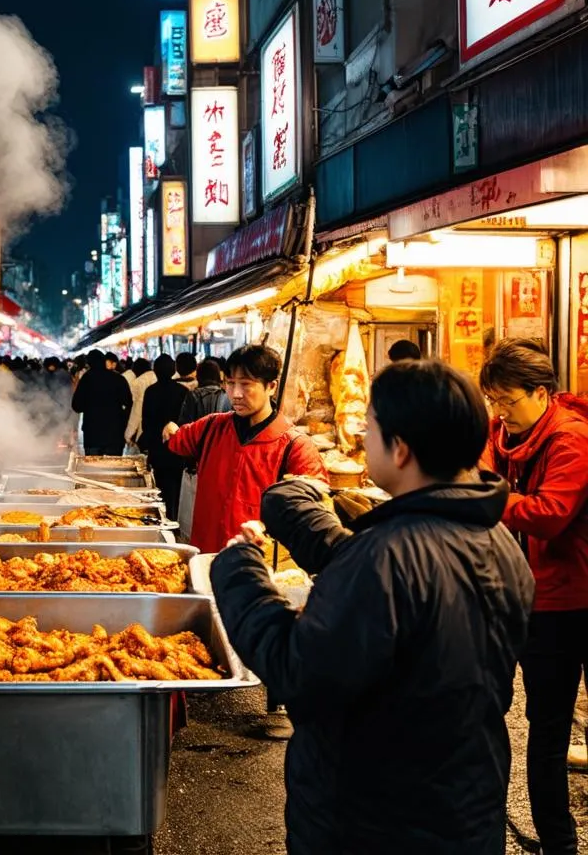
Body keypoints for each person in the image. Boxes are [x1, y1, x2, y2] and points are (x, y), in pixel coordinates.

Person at [211, 359, 536, 854]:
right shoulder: (499, 541)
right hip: (467, 807)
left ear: (400, 449)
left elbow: (301, 672)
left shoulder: (385, 556)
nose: (363, 437)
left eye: (371, 427)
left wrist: (239, 570)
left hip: (374, 820)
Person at [481, 338, 588, 855]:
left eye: (508, 401)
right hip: (524, 597)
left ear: (541, 393)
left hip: (571, 602)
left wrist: (485, 495)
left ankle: (561, 843)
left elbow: (549, 514)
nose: (500, 414)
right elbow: (477, 469)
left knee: (548, 726)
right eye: (493, 402)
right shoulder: (505, 433)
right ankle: (555, 840)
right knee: (531, 723)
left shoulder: (570, 440)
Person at [162, 344, 325, 554]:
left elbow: (318, 507)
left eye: (246, 384)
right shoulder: (211, 427)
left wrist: (267, 526)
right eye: (230, 383)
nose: (236, 394)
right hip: (205, 561)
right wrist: (169, 429)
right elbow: (177, 440)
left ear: (272, 386)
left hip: (256, 568)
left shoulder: (295, 446)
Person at [140, 355, 188, 520]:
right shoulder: (183, 391)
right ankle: (173, 518)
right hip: (177, 448)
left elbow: (145, 421)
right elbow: (185, 420)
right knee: (175, 486)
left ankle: (160, 518)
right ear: (174, 370)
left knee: (159, 485)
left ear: (155, 371)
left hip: (156, 448)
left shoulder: (151, 391)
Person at [71, 349, 132, 456]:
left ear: (89, 363)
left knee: (94, 469)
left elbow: (76, 406)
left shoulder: (86, 379)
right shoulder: (118, 378)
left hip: (92, 435)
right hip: (115, 435)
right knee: (113, 469)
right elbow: (129, 403)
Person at [179, 358, 231, 425]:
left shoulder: (193, 395)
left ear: (198, 376)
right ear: (217, 376)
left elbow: (185, 424)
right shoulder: (226, 396)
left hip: (198, 434)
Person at [124, 357, 156, 450]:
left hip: (143, 428)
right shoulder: (158, 376)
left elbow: (136, 410)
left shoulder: (137, 383)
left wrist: (128, 434)